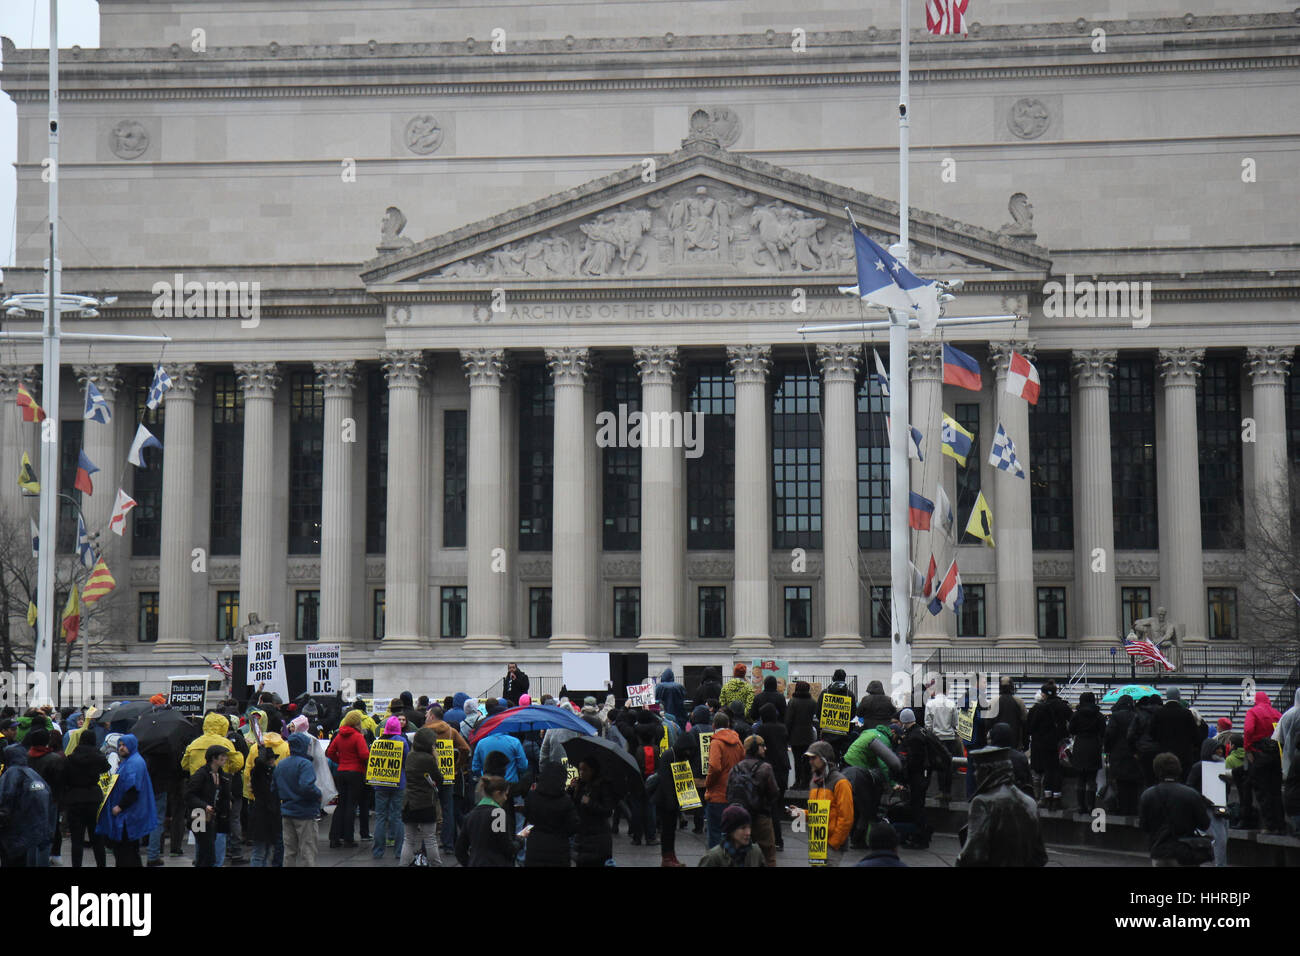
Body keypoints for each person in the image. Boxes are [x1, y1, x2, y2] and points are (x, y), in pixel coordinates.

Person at [956, 739, 1048, 867]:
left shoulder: (983, 802)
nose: (975, 774)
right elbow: (1040, 856)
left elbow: (973, 854)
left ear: (987, 771)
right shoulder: (1030, 802)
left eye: (977, 769)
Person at [1138, 752, 1212, 866]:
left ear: (1156, 770)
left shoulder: (1147, 795)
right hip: (1184, 852)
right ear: (1178, 769)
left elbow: (1144, 826)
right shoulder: (1191, 794)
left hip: (1159, 851)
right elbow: (1204, 824)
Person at [95, 734, 156, 867]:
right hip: (128, 814)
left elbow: (133, 789)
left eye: (124, 745)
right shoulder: (131, 761)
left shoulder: (133, 763)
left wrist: (120, 807)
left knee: (124, 851)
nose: (121, 748)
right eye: (120, 745)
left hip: (128, 816)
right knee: (130, 851)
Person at [423, 704, 470, 852]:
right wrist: (457, 766)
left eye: (427, 715)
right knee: (448, 809)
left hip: (429, 776)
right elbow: (466, 749)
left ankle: (426, 845)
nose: (425, 717)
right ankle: (448, 844)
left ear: (431, 716)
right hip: (448, 775)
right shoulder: (451, 731)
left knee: (429, 809)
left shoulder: (424, 732)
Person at [728, 735, 780, 865]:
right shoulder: (765, 768)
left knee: (741, 856)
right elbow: (774, 793)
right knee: (768, 855)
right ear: (756, 748)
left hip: (740, 819)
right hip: (761, 818)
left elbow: (728, 793)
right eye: (763, 746)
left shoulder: (736, 768)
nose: (765, 749)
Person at [274, 732, 322, 867]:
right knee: (307, 851)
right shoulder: (305, 764)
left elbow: (274, 788)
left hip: (287, 812)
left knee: (289, 852)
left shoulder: (281, 764)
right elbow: (307, 786)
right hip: (305, 812)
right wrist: (318, 794)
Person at [63, 731, 109, 868]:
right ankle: (101, 864)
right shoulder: (98, 757)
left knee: (77, 839)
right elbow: (107, 768)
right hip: (93, 798)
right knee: (97, 838)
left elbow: (64, 777)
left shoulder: (70, 758)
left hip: (75, 799)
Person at [805, 740, 855, 866]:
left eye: (813, 758)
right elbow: (817, 812)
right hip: (817, 843)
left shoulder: (841, 783)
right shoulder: (815, 781)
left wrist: (834, 843)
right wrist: (801, 813)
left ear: (824, 759)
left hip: (831, 845)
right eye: (809, 758)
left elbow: (846, 818)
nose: (810, 761)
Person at [326, 709, 370, 848]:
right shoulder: (358, 736)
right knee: (351, 805)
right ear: (357, 722)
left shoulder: (339, 735)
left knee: (341, 804)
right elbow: (364, 755)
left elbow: (330, 752)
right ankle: (348, 837)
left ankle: (334, 837)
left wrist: (341, 761)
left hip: (341, 772)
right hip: (355, 773)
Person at [1026, 680, 1073, 809]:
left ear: (1044, 694)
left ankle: (1047, 797)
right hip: (1059, 744)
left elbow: (1030, 727)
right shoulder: (1062, 706)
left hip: (1043, 744)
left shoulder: (1039, 708)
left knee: (1047, 771)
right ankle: (1057, 798)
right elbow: (1072, 721)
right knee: (1057, 770)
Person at [400, 727, 444, 866]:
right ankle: (436, 864)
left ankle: (403, 864)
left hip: (409, 803)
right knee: (430, 839)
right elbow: (439, 779)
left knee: (408, 839)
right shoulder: (429, 759)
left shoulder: (410, 757)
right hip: (426, 803)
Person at [23, 726, 65, 866]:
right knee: (46, 838)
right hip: (49, 801)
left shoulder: (26, 757)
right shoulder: (54, 759)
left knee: (31, 835)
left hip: (29, 800)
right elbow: (60, 782)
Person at [1244, 690, 1285, 833]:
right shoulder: (1276, 713)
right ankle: (1281, 825)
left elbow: (1249, 730)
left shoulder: (1253, 712)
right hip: (1275, 754)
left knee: (1262, 791)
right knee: (1276, 791)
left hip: (1259, 753)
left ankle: (1269, 825)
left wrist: (1248, 748)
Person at [524, 761, 579, 867]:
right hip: (558, 847)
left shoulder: (532, 796)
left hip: (535, 845)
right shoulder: (565, 801)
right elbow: (573, 826)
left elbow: (528, 815)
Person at [703, 710, 744, 849]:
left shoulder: (716, 743)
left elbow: (714, 767)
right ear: (728, 724)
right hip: (734, 793)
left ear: (713, 725)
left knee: (715, 833)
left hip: (718, 794)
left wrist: (708, 784)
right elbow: (742, 763)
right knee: (730, 833)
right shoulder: (738, 742)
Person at [455, 775, 518, 866]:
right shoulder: (498, 814)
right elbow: (507, 848)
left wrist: (470, 863)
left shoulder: (471, 815)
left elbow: (459, 850)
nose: (505, 798)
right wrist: (520, 841)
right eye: (505, 794)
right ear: (497, 793)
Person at [185, 745, 232, 867]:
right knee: (206, 851)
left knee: (207, 850)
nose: (225, 759)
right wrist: (204, 805)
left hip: (213, 816)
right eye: (222, 756)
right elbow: (189, 795)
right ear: (213, 758)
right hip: (199, 816)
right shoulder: (201, 774)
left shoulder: (222, 775)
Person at [372, 715, 410, 860]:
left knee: (380, 816)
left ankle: (378, 851)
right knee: (397, 817)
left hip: (380, 783)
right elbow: (406, 761)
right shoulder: (402, 742)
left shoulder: (378, 742)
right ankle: (399, 851)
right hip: (398, 782)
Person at [754, 703, 790, 850]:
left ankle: (774, 839)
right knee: (778, 804)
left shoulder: (761, 729)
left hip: (769, 768)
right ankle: (778, 840)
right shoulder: (782, 728)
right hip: (783, 768)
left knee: (770, 806)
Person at [895, 709, 932, 848]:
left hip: (917, 777)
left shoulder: (914, 737)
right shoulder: (921, 731)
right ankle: (920, 835)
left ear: (904, 721)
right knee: (918, 806)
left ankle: (920, 838)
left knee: (917, 807)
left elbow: (914, 761)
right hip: (923, 775)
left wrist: (904, 776)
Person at [570, 757, 616, 867]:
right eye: (580, 769)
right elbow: (574, 806)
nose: (581, 773)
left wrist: (590, 802)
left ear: (593, 770)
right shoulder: (580, 785)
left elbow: (607, 810)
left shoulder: (603, 785)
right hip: (582, 837)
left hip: (598, 838)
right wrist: (572, 791)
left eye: (585, 770)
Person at [1068, 692, 1107, 815]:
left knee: (1080, 778)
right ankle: (1091, 806)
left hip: (1080, 745)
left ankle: (1081, 806)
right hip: (1094, 746)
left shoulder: (1076, 715)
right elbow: (1103, 731)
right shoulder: (1099, 715)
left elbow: (1071, 729)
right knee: (1091, 778)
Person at [1103, 694, 1142, 814]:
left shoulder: (1116, 716)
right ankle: (1133, 808)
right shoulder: (1137, 715)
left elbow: (1109, 734)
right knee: (1133, 783)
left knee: (1121, 783)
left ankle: (1123, 807)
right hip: (1134, 753)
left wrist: (1107, 749)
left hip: (1118, 752)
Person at [247, 740, 283, 867]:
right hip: (262, 816)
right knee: (260, 852)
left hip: (270, 816)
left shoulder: (273, 773)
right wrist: (262, 753)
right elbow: (258, 766)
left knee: (267, 852)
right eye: (270, 759)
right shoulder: (259, 773)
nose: (272, 761)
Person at [1152, 687, 1201, 774]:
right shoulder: (1186, 713)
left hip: (1164, 753)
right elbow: (1195, 735)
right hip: (1184, 755)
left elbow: (1152, 733)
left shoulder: (1158, 713)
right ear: (1178, 696)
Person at [697, 804, 763, 867]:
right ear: (730, 830)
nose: (748, 832)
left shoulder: (756, 852)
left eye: (749, 827)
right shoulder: (713, 858)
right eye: (743, 828)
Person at [925, 691, 960, 806]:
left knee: (938, 763)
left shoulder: (930, 704)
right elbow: (955, 723)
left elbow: (928, 724)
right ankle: (947, 791)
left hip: (936, 738)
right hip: (949, 738)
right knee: (948, 764)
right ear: (947, 691)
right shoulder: (952, 704)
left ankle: (940, 791)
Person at [785, 681, 817, 789]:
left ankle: (798, 781)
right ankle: (807, 782)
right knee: (808, 761)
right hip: (808, 736)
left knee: (797, 760)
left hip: (795, 736)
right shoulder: (812, 702)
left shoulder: (793, 702)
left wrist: (787, 734)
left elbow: (788, 720)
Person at [984, 677, 1027, 750]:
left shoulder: (993, 701)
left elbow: (987, 724)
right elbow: (1025, 723)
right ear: (1012, 687)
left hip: (996, 743)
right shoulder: (1019, 702)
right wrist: (1026, 742)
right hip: (1015, 742)